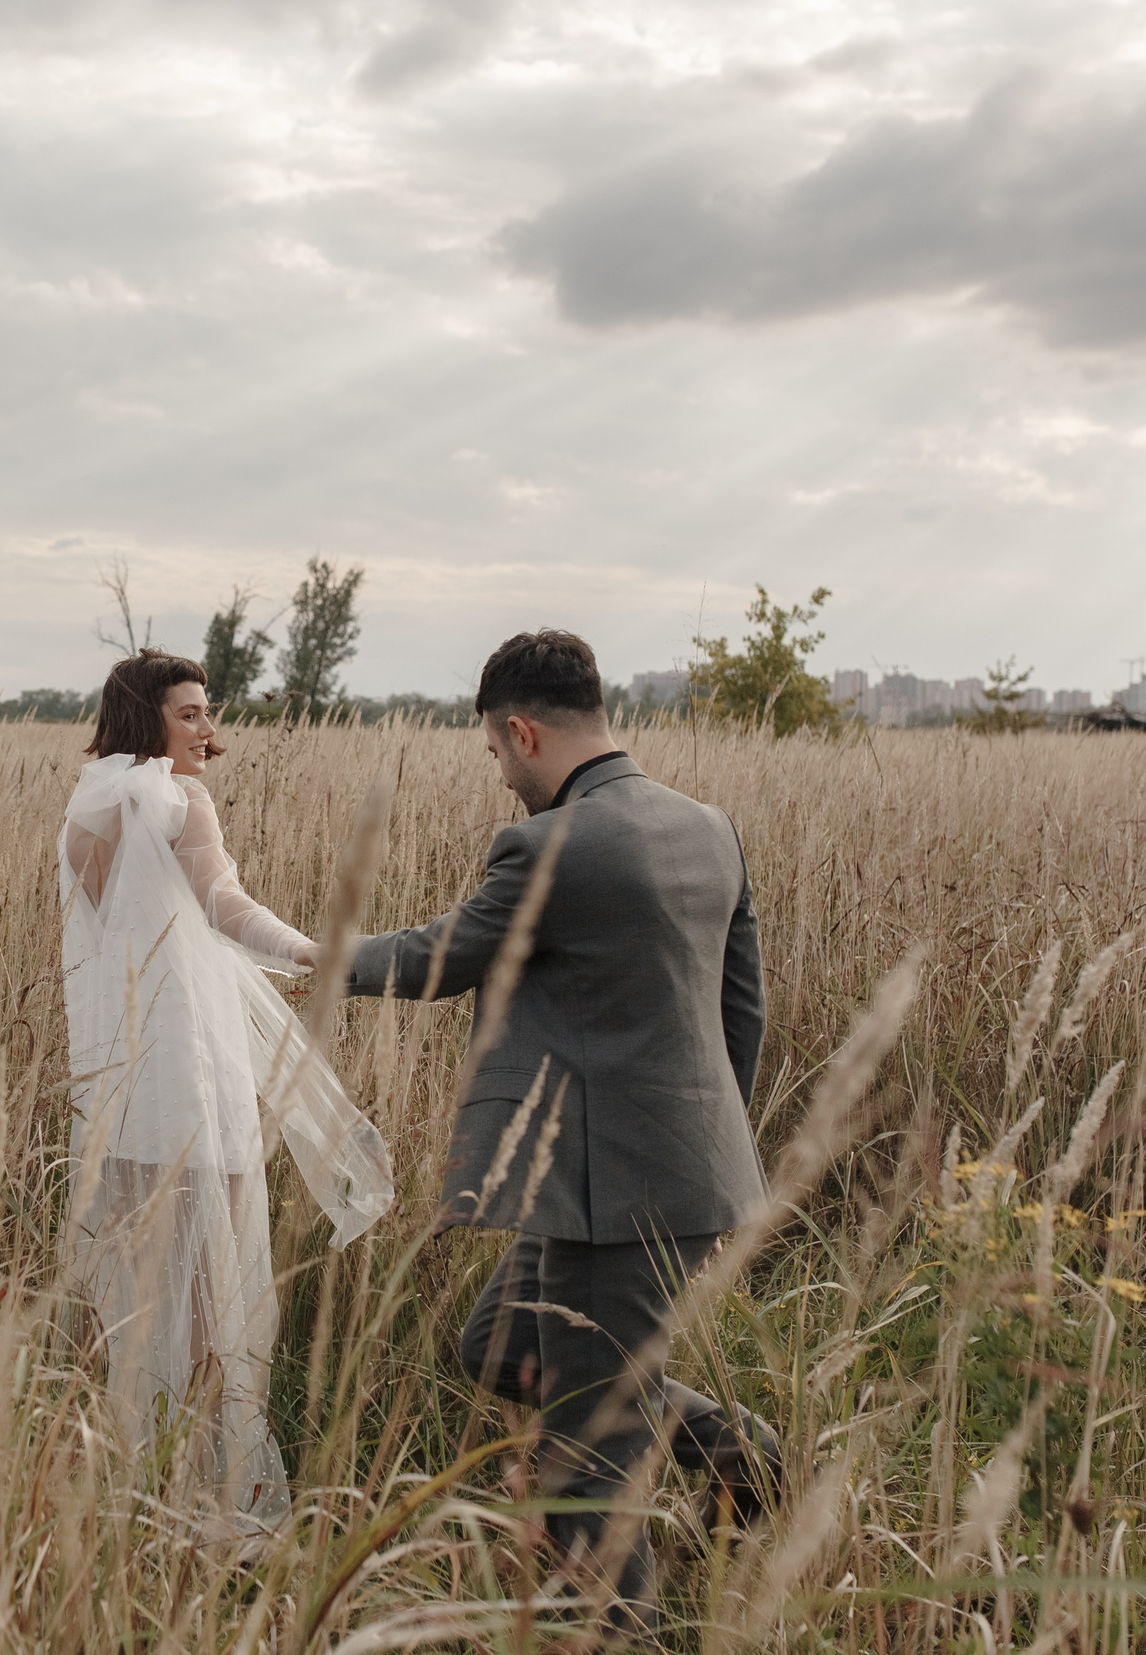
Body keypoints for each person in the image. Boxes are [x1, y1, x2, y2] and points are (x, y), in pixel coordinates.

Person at [343, 629, 783, 1626]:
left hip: (606, 1197)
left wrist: (302, 953)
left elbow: (435, 959)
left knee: (588, 1463)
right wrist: (703, 1152)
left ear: (521, 730)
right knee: (498, 1343)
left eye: (496, 754)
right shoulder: (707, 826)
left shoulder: (552, 845)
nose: (501, 777)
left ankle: (622, 1634)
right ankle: (735, 1451)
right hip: (676, 1177)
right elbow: (741, 1011)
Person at [57, 649, 393, 1532]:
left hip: (117, 1077)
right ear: (148, 719)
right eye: (193, 714)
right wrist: (315, 954)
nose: (212, 732)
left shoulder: (89, 802)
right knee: (214, 1283)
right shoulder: (177, 799)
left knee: (130, 1277)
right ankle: (218, 1498)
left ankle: (123, 1481)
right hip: (190, 1070)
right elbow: (225, 908)